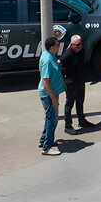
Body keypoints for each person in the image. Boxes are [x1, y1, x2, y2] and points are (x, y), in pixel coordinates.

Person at [38, 26, 66, 156]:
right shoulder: (48, 60)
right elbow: (45, 81)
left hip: (52, 93)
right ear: (52, 47)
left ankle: (44, 139)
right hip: (49, 95)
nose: (59, 46)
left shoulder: (49, 55)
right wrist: (54, 99)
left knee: (49, 118)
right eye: (57, 45)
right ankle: (47, 147)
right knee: (52, 120)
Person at [59, 32, 90, 131]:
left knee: (80, 102)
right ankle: (68, 125)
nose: (80, 46)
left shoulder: (81, 50)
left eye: (81, 44)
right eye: (77, 45)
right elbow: (57, 65)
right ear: (72, 45)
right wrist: (63, 78)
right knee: (69, 104)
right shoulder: (68, 54)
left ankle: (82, 121)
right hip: (72, 83)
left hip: (81, 81)